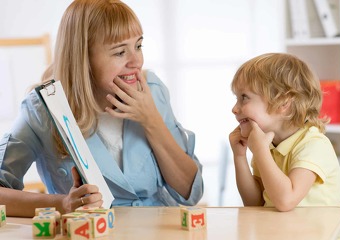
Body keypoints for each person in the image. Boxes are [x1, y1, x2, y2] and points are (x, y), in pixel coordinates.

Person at [0, 0, 203, 217]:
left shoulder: (151, 90)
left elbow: (190, 192)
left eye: (138, 46)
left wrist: (151, 120)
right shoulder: (42, 108)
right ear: (83, 58)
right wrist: (64, 204)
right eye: (119, 52)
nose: (136, 62)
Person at [229, 53, 340, 212]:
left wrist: (261, 151)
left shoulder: (314, 145)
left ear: (283, 103)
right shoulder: (266, 147)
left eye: (244, 98)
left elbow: (286, 201)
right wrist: (239, 156)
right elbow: (254, 204)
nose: (234, 109)